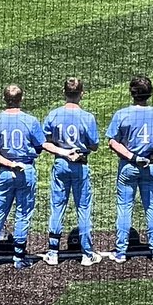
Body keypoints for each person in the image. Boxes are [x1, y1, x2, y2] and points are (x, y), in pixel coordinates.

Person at [0, 85, 45, 269]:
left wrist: (8, 163)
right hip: (26, 170)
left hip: (5, 172)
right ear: (21, 99)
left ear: (4, 99)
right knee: (23, 214)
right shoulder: (30, 121)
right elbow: (40, 147)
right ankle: (19, 258)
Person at [42, 77, 101, 267]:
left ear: (64, 93)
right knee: (83, 208)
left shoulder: (53, 115)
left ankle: (53, 253)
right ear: (82, 94)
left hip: (60, 164)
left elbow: (44, 142)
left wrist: (63, 151)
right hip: (80, 165)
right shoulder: (87, 117)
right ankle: (87, 254)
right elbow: (94, 145)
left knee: (57, 207)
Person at [108, 75, 153, 263]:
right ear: (150, 93)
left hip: (128, 166)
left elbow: (112, 142)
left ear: (131, 93)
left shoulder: (122, 114)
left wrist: (132, 156)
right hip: (150, 166)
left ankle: (121, 252)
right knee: (152, 206)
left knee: (125, 208)